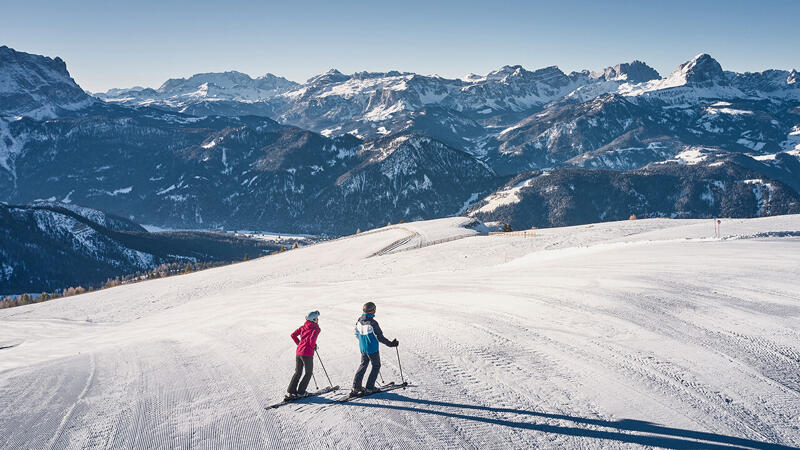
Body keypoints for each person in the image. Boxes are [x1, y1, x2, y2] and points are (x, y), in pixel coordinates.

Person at [352, 301, 398, 395]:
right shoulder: (373, 323)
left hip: (363, 348)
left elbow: (356, 333)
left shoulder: (359, 320)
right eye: (374, 310)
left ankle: (356, 387)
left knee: (363, 365)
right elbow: (379, 337)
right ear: (372, 311)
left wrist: (363, 341)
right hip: (372, 349)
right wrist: (391, 344)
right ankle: (369, 388)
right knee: (376, 366)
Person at [286, 311, 321, 401]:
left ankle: (291, 392)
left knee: (298, 372)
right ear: (313, 320)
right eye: (317, 318)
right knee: (308, 373)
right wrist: (313, 346)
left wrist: (300, 344)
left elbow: (293, 335)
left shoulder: (303, 327)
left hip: (299, 352)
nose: (318, 320)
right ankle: (301, 392)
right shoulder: (315, 329)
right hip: (307, 354)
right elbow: (311, 341)